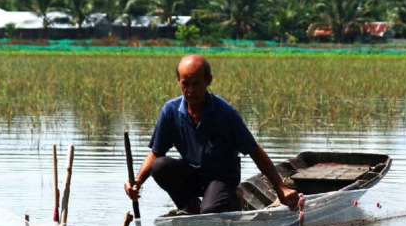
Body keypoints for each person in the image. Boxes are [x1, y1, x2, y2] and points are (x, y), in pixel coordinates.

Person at [125, 54, 300, 214]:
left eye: (196, 84)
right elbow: (156, 152)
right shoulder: (170, 111)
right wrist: (137, 182)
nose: (191, 90)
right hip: (192, 176)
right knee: (160, 166)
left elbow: (254, 151)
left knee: (210, 211)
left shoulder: (225, 114)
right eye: (186, 84)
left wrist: (281, 189)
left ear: (208, 81)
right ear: (179, 82)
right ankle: (191, 209)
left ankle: (235, 196)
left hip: (221, 178)